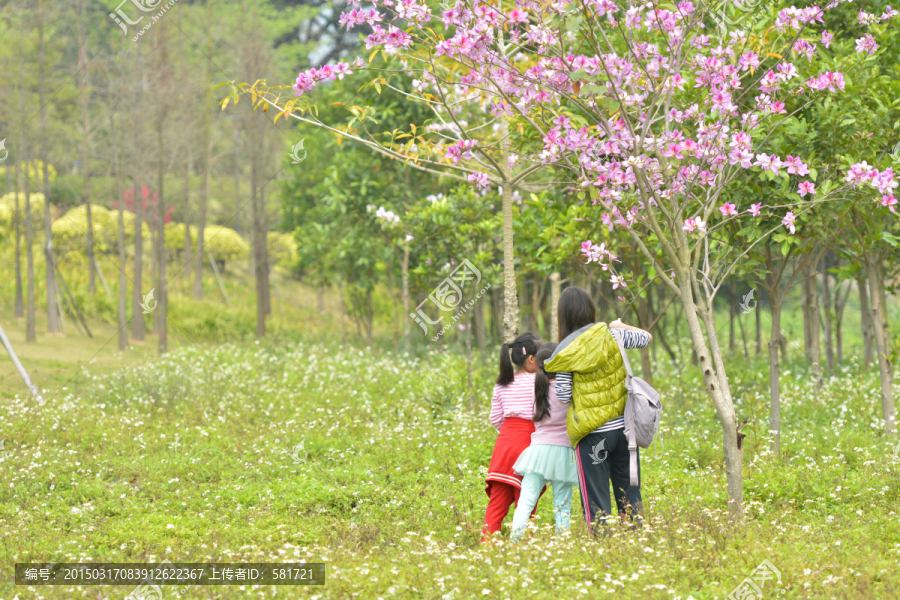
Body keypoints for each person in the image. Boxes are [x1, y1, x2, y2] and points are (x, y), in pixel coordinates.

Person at [544, 286, 652, 533]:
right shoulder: (613, 335)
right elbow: (646, 337)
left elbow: (562, 395)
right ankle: (637, 540)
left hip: (592, 436)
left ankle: (604, 548)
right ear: (590, 309)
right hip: (625, 432)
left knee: (596, 500)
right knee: (629, 491)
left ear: (564, 316)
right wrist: (621, 326)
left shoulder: (565, 352)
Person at [509, 342, 578, 542]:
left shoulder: (538, 388)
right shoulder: (570, 390)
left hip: (539, 451)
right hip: (564, 452)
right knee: (562, 505)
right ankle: (562, 544)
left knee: (526, 501)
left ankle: (515, 541)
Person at [482, 332, 543, 541]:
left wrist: (510, 433)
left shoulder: (501, 384)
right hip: (529, 446)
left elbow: (495, 418)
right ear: (532, 359)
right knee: (526, 501)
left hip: (504, 447)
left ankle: (488, 545)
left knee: (496, 505)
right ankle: (523, 547)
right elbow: (543, 417)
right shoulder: (538, 383)